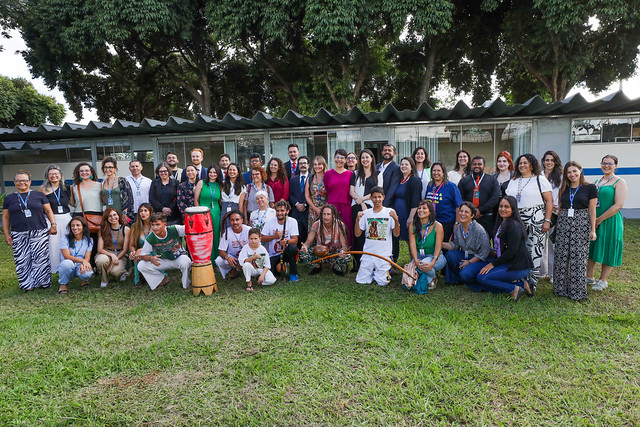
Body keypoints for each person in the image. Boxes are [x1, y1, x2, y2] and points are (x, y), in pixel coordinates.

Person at [504, 153, 553, 292]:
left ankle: (531, 284)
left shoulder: (540, 179)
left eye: (525, 163)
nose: (522, 165)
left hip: (536, 218)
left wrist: (547, 221)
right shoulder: (514, 180)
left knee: (534, 251)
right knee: (517, 249)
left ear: (532, 164)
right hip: (516, 218)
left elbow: (549, 201)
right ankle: (518, 281)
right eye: (520, 163)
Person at [3, 170, 57, 291]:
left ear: (29, 182)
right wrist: (7, 234)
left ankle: (43, 282)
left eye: (24, 180)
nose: (21, 183)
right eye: (18, 181)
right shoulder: (10, 198)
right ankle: (27, 284)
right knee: (22, 258)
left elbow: (48, 211)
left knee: (41, 257)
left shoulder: (39, 195)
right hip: (18, 232)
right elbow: (6, 217)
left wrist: (53, 224)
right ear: (15, 183)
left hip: (39, 230)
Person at [553, 161, 597, 300]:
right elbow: (561, 207)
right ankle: (560, 289)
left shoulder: (590, 187)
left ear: (581, 170)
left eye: (574, 171)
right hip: (564, 223)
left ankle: (577, 291)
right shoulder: (564, 188)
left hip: (581, 223)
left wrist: (593, 229)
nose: (572, 174)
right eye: (569, 172)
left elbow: (592, 209)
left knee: (579, 258)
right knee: (561, 256)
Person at [477, 196, 534, 300]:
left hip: (518, 266)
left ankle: (515, 288)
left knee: (483, 277)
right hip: (506, 262)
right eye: (501, 206)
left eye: (507, 207)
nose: (503, 209)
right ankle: (524, 284)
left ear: (513, 209)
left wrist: (492, 264)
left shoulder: (514, 225)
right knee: (483, 278)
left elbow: (512, 251)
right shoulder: (502, 222)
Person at [587, 155, 628, 291]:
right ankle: (589, 277)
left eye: (610, 163)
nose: (606, 166)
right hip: (595, 220)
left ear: (616, 165)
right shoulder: (598, 181)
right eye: (604, 163)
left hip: (610, 220)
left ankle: (603, 280)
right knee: (591, 247)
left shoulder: (619, 182)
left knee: (608, 247)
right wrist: (593, 219)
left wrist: (600, 219)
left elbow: (618, 205)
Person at [355, 186, 400, 287]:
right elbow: (357, 234)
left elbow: (396, 234)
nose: (377, 200)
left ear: (383, 197)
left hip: (383, 254)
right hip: (368, 253)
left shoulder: (390, 212)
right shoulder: (366, 214)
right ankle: (373, 272)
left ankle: (385, 269)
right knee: (361, 281)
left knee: (382, 282)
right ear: (371, 198)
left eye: (379, 197)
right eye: (374, 197)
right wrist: (357, 220)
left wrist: (396, 220)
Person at [442, 202, 492, 290]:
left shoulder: (479, 230)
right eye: (461, 211)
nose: (462, 214)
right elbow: (455, 245)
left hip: (481, 259)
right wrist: (439, 243)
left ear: (472, 215)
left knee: (465, 274)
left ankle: (479, 283)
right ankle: (457, 279)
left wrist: (469, 262)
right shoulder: (458, 227)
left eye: (466, 212)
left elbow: (484, 253)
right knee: (450, 255)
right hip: (467, 254)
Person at [138, 212, 192, 290]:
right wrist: (150, 258)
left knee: (186, 261)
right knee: (141, 265)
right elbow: (143, 255)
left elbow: (189, 229)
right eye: (152, 225)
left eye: (158, 225)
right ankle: (162, 280)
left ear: (164, 224)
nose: (155, 228)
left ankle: (185, 284)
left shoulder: (174, 229)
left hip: (178, 258)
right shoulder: (151, 238)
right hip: (163, 260)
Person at [300, 204, 351, 275]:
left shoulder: (339, 225)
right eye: (324, 214)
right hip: (319, 254)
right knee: (302, 253)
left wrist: (343, 251)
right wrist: (304, 247)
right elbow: (308, 242)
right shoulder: (316, 225)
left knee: (347, 256)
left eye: (328, 214)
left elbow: (344, 245)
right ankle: (317, 266)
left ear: (333, 215)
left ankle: (336, 267)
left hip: (334, 253)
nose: (325, 217)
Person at [407, 199, 446, 293]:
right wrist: (415, 260)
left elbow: (438, 246)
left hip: (435, 256)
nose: (421, 210)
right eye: (419, 208)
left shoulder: (438, 226)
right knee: (412, 269)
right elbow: (412, 245)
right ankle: (429, 276)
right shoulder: (413, 226)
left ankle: (432, 277)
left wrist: (433, 262)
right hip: (419, 256)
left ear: (430, 212)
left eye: (424, 208)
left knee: (422, 266)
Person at [39, 165, 72, 274]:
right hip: (52, 220)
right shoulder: (43, 188)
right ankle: (54, 269)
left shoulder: (67, 187)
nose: (54, 176)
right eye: (51, 174)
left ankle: (69, 267)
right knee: (53, 245)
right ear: (47, 176)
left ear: (60, 175)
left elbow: (72, 202)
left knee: (67, 243)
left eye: (56, 173)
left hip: (66, 218)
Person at [349, 149, 377, 271]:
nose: (365, 160)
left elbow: (377, 191)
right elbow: (351, 191)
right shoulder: (355, 174)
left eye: (367, 157)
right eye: (362, 158)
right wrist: (359, 202)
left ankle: (370, 262)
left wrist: (363, 201)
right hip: (356, 206)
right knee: (357, 235)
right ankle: (357, 263)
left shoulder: (378, 173)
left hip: (372, 206)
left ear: (371, 158)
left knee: (370, 234)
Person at [458, 156, 500, 235]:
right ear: (471, 166)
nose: (477, 166)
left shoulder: (492, 180)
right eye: (474, 164)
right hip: (468, 217)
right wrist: (470, 211)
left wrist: (480, 210)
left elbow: (494, 198)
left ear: (484, 166)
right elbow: (460, 198)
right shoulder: (464, 180)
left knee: (485, 241)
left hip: (486, 217)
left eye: (479, 164)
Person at [69, 162, 103, 263]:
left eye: (87, 170)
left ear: (91, 172)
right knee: (82, 242)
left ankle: (95, 264)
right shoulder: (74, 187)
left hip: (96, 217)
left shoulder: (99, 185)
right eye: (81, 171)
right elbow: (72, 203)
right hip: (80, 216)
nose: (84, 172)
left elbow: (104, 201)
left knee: (96, 241)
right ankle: (83, 264)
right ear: (78, 173)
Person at [261, 200, 299, 282]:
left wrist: (286, 241)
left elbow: (295, 240)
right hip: (273, 254)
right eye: (277, 211)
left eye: (282, 211)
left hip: (286, 252)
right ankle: (282, 268)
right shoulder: (269, 222)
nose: (279, 213)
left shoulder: (292, 221)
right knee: (273, 273)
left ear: (287, 211)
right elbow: (262, 238)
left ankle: (293, 272)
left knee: (293, 248)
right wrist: (274, 236)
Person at [392, 157, 422, 261]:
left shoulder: (414, 180)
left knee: (410, 240)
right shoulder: (399, 179)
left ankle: (414, 262)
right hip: (397, 216)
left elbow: (416, 200)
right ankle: (394, 262)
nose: (403, 166)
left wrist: (411, 217)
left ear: (412, 166)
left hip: (407, 215)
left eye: (406, 164)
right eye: (402, 164)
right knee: (395, 238)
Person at [540, 150, 563, 283]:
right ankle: (542, 271)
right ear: (543, 161)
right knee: (541, 243)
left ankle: (554, 273)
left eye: (552, 160)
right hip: (541, 212)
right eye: (547, 160)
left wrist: (558, 206)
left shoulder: (561, 177)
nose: (549, 163)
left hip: (556, 214)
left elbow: (565, 194)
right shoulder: (538, 176)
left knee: (554, 244)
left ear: (556, 162)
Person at [425, 162, 463, 242]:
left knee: (443, 243)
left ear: (443, 172)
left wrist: (457, 223)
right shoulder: (430, 185)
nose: (436, 173)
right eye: (434, 171)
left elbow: (458, 206)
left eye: (438, 171)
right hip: (432, 221)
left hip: (446, 222)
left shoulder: (451, 186)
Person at [324, 149, 354, 246]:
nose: (339, 160)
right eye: (337, 157)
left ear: (345, 160)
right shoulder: (328, 173)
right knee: (332, 230)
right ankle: (332, 253)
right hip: (332, 206)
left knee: (346, 230)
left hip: (346, 205)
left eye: (342, 158)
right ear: (334, 158)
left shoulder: (351, 174)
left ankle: (346, 253)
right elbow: (327, 189)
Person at [57, 217, 94, 293]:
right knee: (66, 263)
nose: (75, 228)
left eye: (78, 225)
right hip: (69, 264)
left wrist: (84, 262)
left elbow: (87, 257)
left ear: (83, 227)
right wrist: (83, 261)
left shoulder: (89, 240)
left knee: (87, 272)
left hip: (80, 265)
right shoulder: (64, 238)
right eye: (73, 225)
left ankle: (84, 280)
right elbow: (66, 256)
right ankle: (63, 284)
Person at [95, 208, 131, 288]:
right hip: (106, 252)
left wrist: (112, 264)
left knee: (115, 272)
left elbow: (125, 249)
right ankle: (104, 279)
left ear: (118, 215)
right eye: (110, 216)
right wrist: (112, 255)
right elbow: (100, 249)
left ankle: (121, 273)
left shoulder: (126, 229)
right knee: (101, 261)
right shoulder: (103, 230)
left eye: (115, 215)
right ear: (107, 219)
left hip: (120, 254)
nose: (113, 218)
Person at [195, 163, 222, 260]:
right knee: (205, 236)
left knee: (215, 236)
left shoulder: (219, 185)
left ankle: (215, 260)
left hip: (216, 213)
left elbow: (220, 200)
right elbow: (196, 200)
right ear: (207, 173)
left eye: (215, 172)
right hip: (203, 213)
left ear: (218, 174)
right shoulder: (201, 183)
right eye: (210, 172)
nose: (212, 174)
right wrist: (199, 214)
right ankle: (206, 259)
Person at [215, 210, 251, 279]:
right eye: (232, 220)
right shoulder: (227, 232)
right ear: (229, 221)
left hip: (247, 256)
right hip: (233, 258)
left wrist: (244, 259)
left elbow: (256, 247)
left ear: (242, 220)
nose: (235, 222)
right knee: (219, 260)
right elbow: (221, 251)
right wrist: (227, 258)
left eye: (237, 220)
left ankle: (251, 272)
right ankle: (232, 270)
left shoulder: (248, 230)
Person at [100, 156, 134, 222]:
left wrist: (124, 213)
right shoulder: (104, 182)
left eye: (110, 167)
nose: (107, 169)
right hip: (110, 215)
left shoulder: (122, 180)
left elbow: (128, 198)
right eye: (105, 167)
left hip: (121, 213)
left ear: (115, 168)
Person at [128, 203, 154, 286]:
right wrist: (133, 252)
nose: (143, 213)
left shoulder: (155, 225)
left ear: (150, 212)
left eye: (145, 211)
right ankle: (138, 279)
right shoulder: (135, 226)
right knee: (137, 254)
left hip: (155, 251)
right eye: (141, 211)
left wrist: (141, 250)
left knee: (139, 252)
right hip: (140, 254)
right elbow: (131, 245)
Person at [289, 156, 310, 246]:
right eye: (300, 163)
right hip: (296, 212)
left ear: (308, 165)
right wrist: (297, 204)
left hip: (308, 211)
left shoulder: (312, 178)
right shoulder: (293, 179)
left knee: (308, 235)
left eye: (304, 163)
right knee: (297, 235)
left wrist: (305, 204)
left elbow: (313, 194)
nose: (303, 165)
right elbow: (290, 194)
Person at [377, 144, 401, 208]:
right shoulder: (376, 167)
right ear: (382, 152)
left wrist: (383, 206)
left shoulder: (397, 168)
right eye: (385, 150)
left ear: (394, 153)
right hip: (374, 203)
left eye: (389, 150)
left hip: (387, 205)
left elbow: (392, 190)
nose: (387, 152)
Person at [305, 155, 328, 226]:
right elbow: (307, 195)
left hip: (326, 210)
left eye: (319, 164)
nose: (317, 166)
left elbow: (332, 194)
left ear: (324, 165)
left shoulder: (328, 177)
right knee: (313, 232)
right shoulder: (310, 178)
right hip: (313, 210)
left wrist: (324, 207)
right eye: (315, 164)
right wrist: (315, 209)